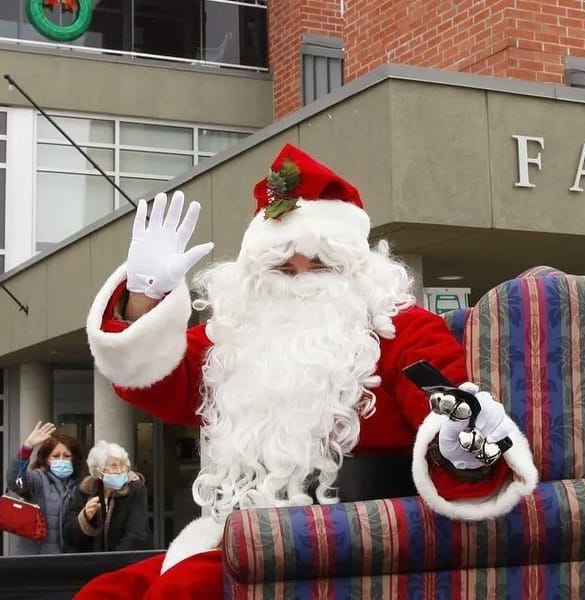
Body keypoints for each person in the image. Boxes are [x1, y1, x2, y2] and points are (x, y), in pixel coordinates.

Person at [78, 144, 538, 598]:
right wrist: (144, 299)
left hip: (350, 543)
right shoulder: (237, 338)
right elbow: (155, 383)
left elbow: (445, 403)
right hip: (248, 534)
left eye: (320, 264)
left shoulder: (408, 332)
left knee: (177, 592)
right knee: (105, 592)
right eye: (282, 266)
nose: (300, 278)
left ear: (355, 267)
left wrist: (460, 445)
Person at [4, 421, 87, 554]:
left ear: (74, 459)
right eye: (55, 456)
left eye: (66, 456)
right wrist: (27, 447)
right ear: (46, 459)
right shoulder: (38, 479)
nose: (61, 460)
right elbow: (15, 481)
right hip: (36, 558)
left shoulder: (82, 485)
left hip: (69, 559)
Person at [63, 440, 152, 552]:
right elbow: (69, 536)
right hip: (92, 564)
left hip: (125, 562)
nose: (119, 471)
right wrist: (85, 517)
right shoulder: (84, 491)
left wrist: (114, 562)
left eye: (123, 465)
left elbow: (136, 534)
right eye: (113, 466)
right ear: (98, 472)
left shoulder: (135, 489)